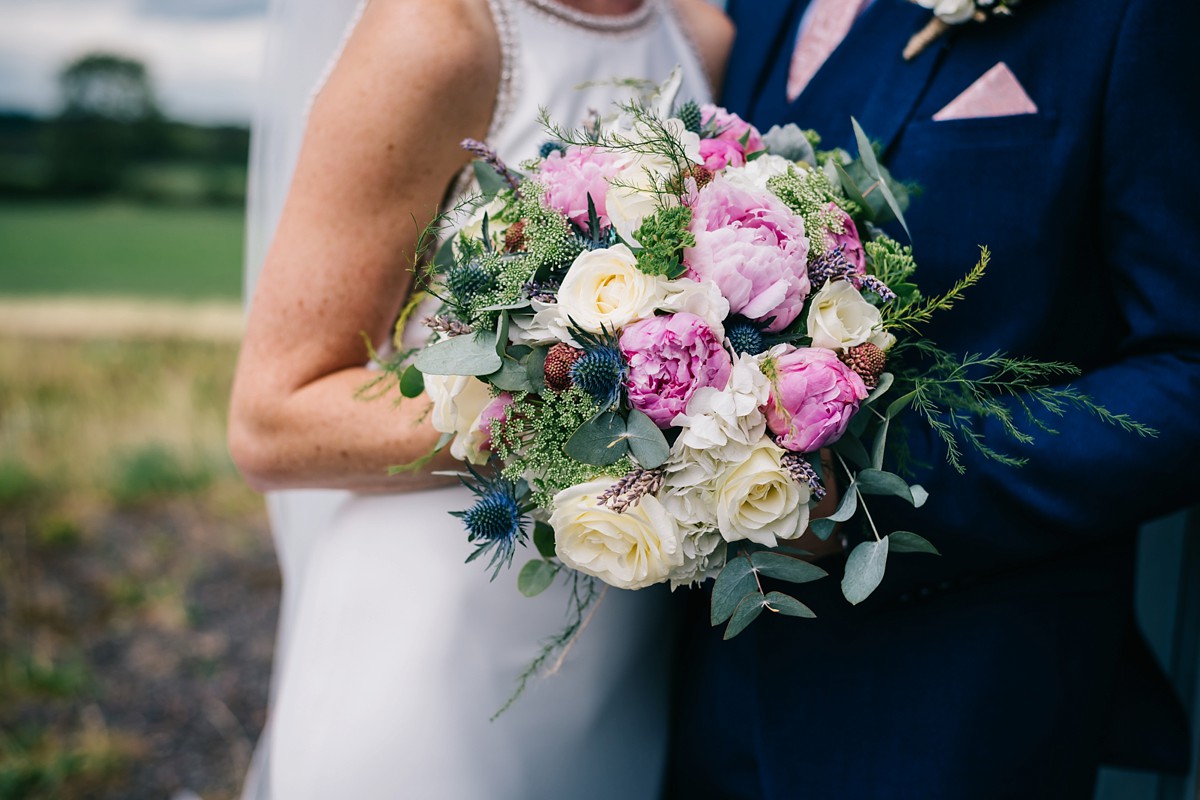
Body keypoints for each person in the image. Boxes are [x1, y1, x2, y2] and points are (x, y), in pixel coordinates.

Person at [667, 0, 1199, 797]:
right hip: (699, 680)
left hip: (949, 701)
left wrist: (878, 491)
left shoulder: (1132, 19)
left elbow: (1187, 369)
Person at [230, 0, 734, 798]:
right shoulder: (436, 33)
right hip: (436, 627)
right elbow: (272, 417)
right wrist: (600, 400)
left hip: (621, 625)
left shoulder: (701, 33)